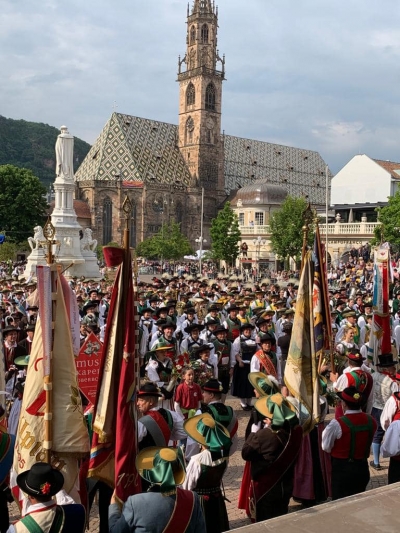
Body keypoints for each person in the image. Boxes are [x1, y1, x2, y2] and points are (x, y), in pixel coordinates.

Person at [109, 447, 206, 533]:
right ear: (178, 472)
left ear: (153, 472)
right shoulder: (193, 499)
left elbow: (115, 531)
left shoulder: (135, 503)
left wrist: (114, 506)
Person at [241, 393, 302, 522]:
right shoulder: (295, 431)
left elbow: (246, 453)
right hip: (285, 486)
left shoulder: (264, 435)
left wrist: (253, 433)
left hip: (266, 489)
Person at [322, 387, 377, 500]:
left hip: (342, 470)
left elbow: (326, 447)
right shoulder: (372, 420)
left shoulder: (337, 424)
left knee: (340, 502)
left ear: (344, 404)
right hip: (362, 468)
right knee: (358, 500)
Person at [183, 413, 232, 533]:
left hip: (200, 503)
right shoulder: (224, 457)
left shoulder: (197, 460)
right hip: (217, 499)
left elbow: (187, 486)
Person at [7, 462, 85, 533]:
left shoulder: (17, 529)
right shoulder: (78, 512)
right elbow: (68, 502)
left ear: (30, 495)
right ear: (54, 491)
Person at [370, 352, 399, 470]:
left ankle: (376, 461)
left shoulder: (374, 375)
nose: (394, 368)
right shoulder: (392, 383)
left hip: (375, 407)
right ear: (387, 368)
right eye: (392, 366)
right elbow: (396, 396)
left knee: (377, 434)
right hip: (387, 409)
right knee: (389, 432)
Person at [231, 323, 257, 410]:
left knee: (251, 383)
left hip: (252, 365)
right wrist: (239, 361)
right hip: (242, 364)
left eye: (249, 329)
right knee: (243, 384)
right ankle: (243, 403)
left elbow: (258, 350)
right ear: (242, 331)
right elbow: (235, 351)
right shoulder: (238, 340)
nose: (248, 331)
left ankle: (249, 402)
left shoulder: (254, 339)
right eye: (246, 329)